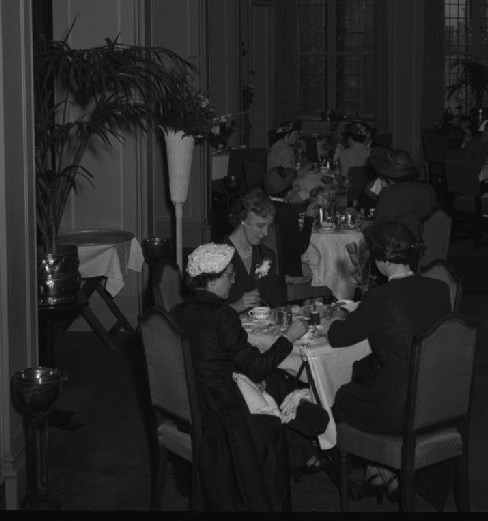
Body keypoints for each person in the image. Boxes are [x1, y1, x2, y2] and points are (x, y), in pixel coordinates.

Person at [170, 243, 329, 510]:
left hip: (193, 402)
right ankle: (306, 433)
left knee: (274, 384)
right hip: (222, 416)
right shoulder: (222, 315)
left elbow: (207, 358)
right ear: (212, 281)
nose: (233, 280)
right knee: (275, 391)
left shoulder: (178, 312)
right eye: (229, 275)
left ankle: (302, 435)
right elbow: (257, 367)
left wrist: (245, 376)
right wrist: (289, 337)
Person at [327, 222, 452, 501]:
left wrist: (335, 317)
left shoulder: (380, 297)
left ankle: (378, 468)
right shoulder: (440, 289)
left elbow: (338, 338)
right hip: (438, 400)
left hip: (399, 409)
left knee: (342, 397)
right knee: (368, 377)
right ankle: (382, 470)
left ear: (381, 259)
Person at [224, 188, 288, 311]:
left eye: (268, 226)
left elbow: (275, 302)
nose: (265, 233)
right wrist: (237, 306)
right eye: (260, 225)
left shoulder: (266, 256)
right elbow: (207, 312)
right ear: (242, 219)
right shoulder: (218, 257)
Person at [261, 166, 319, 280]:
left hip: (266, 264)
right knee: (318, 267)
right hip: (286, 269)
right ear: (288, 192)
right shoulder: (287, 211)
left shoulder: (262, 205)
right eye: (292, 185)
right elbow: (301, 247)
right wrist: (308, 218)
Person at [366, 147, 438, 237]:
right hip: (426, 241)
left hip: (399, 243)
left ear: (388, 175)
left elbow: (380, 227)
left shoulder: (389, 193)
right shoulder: (429, 189)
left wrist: (365, 228)